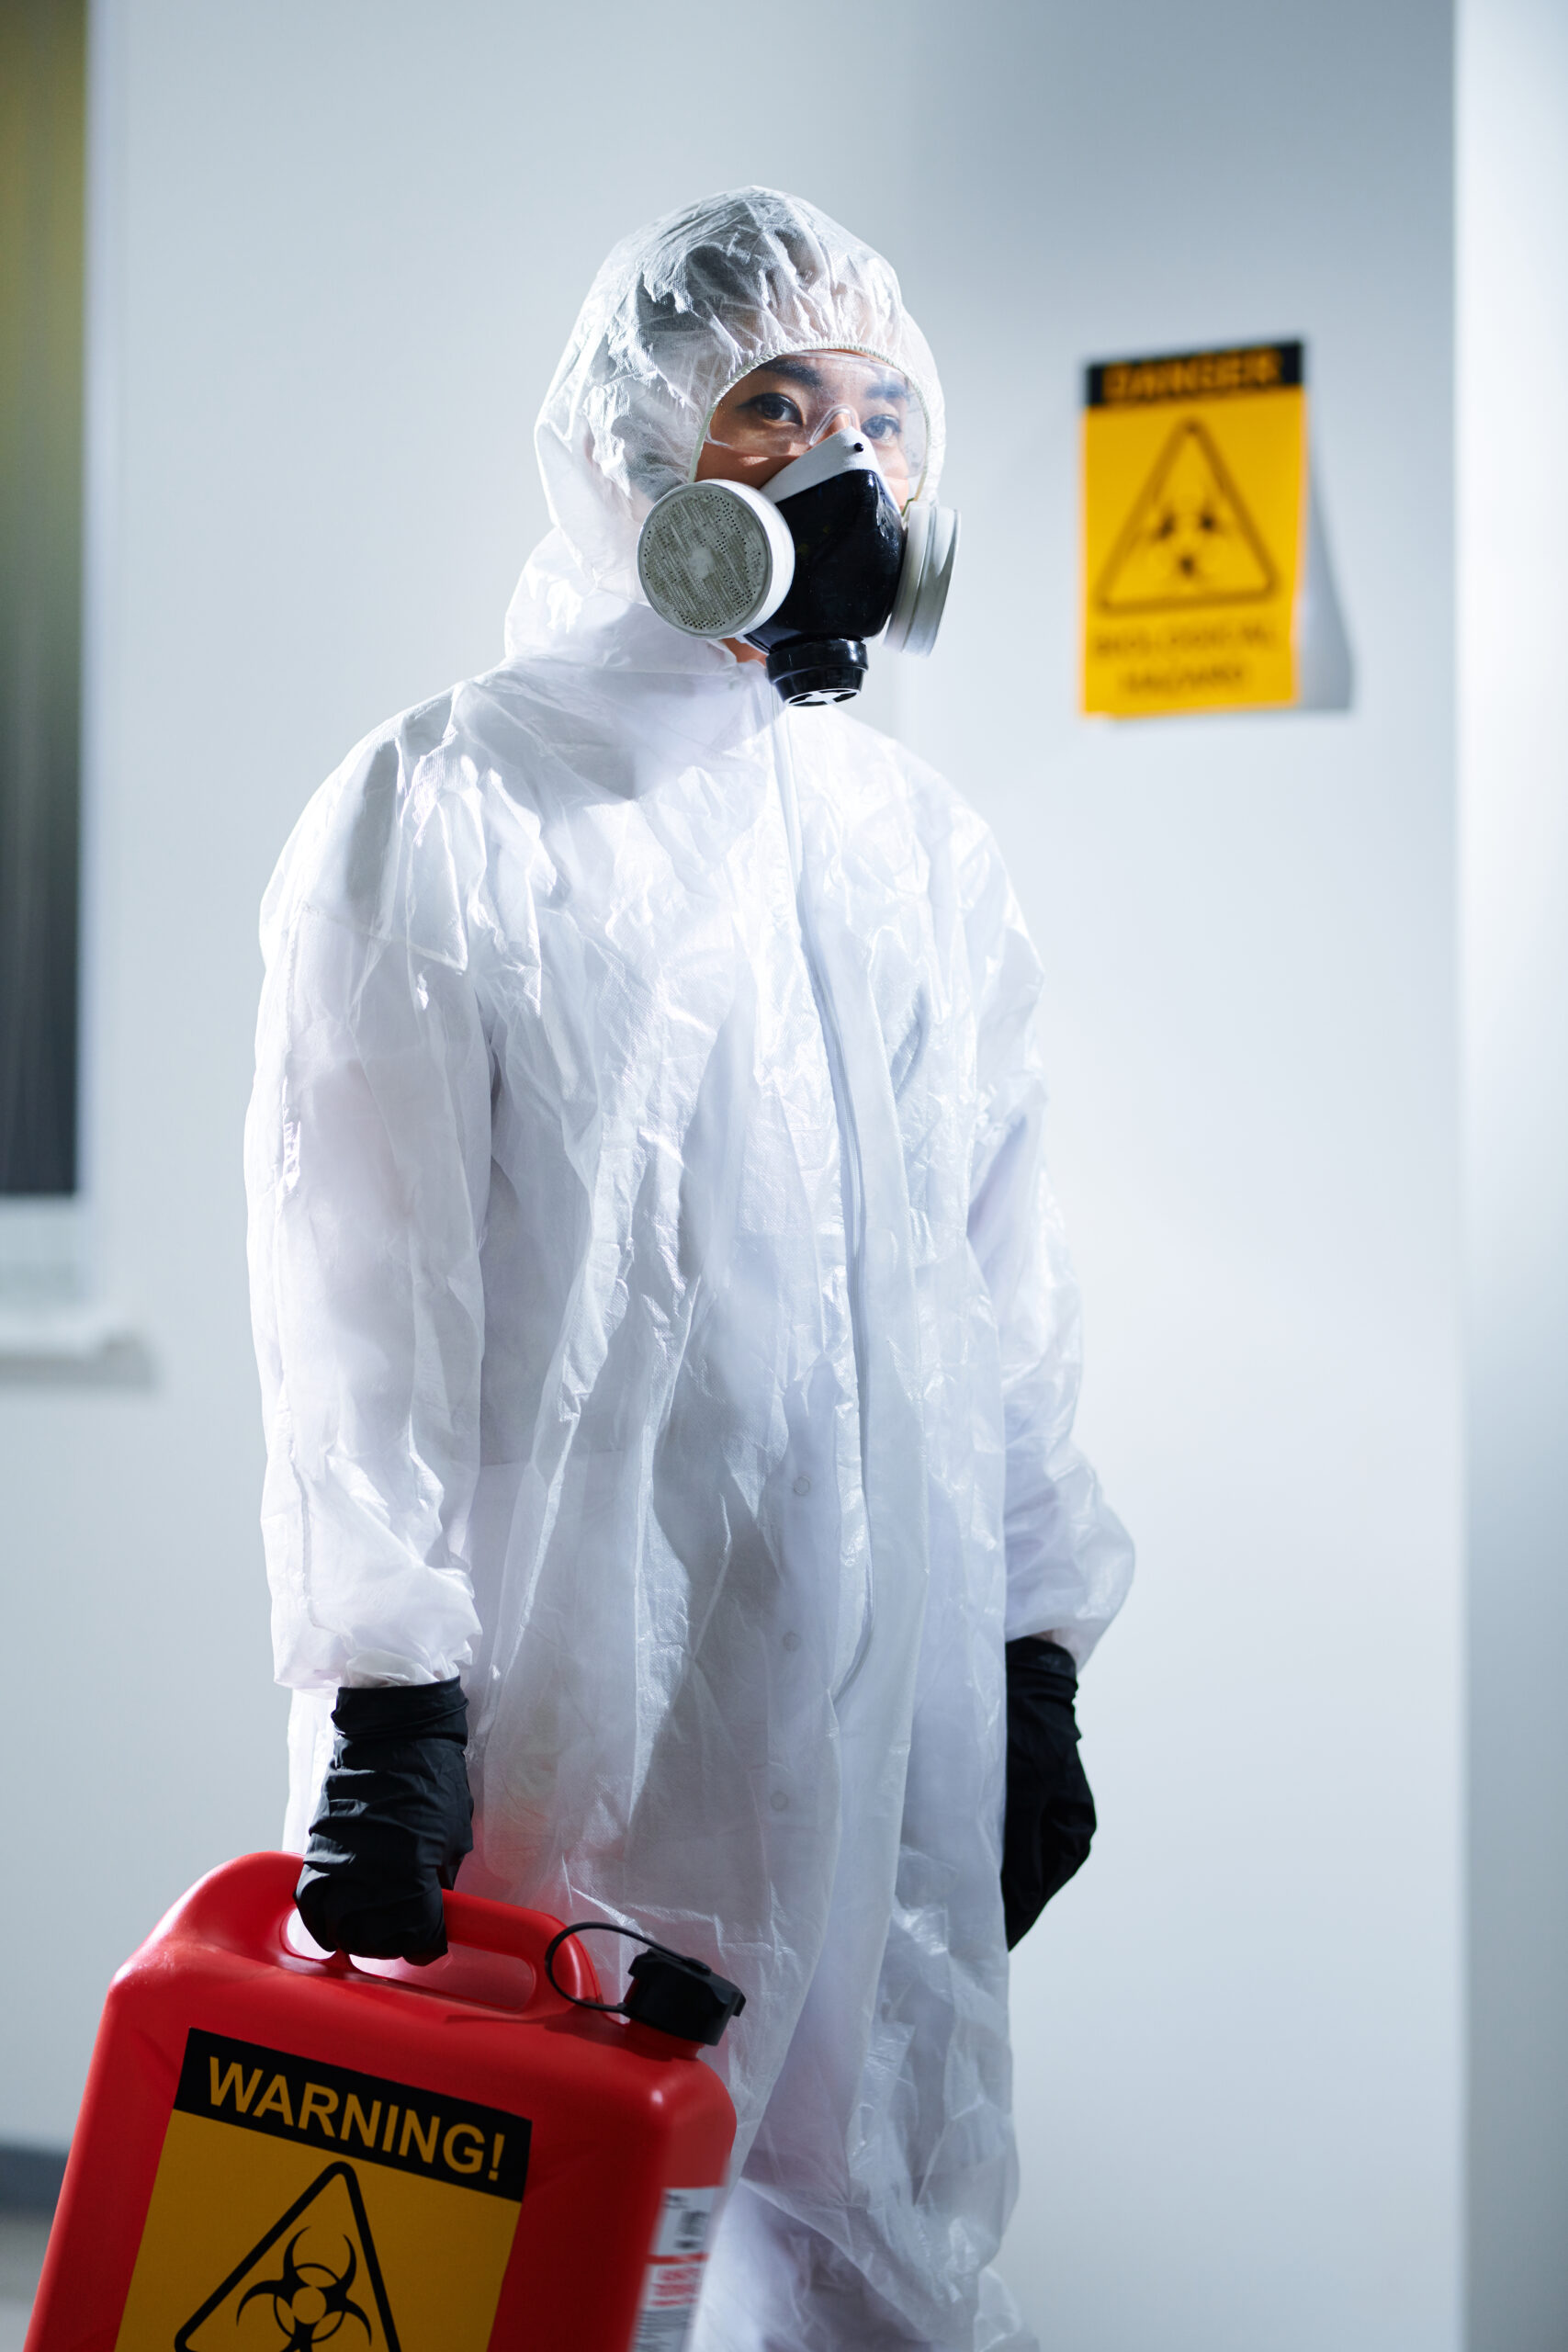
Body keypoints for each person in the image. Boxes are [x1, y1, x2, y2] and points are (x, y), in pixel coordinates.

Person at [245, 187, 1133, 2352]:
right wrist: (386, 1689)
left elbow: (995, 1280)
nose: (845, 466)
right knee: (523, 2248)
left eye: (882, 413)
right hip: (558, 1727)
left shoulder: (911, 854)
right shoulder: (449, 804)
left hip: (868, 1707)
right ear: (642, 455)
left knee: (862, 2235)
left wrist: (1027, 1646)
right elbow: (359, 1277)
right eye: (772, 404)